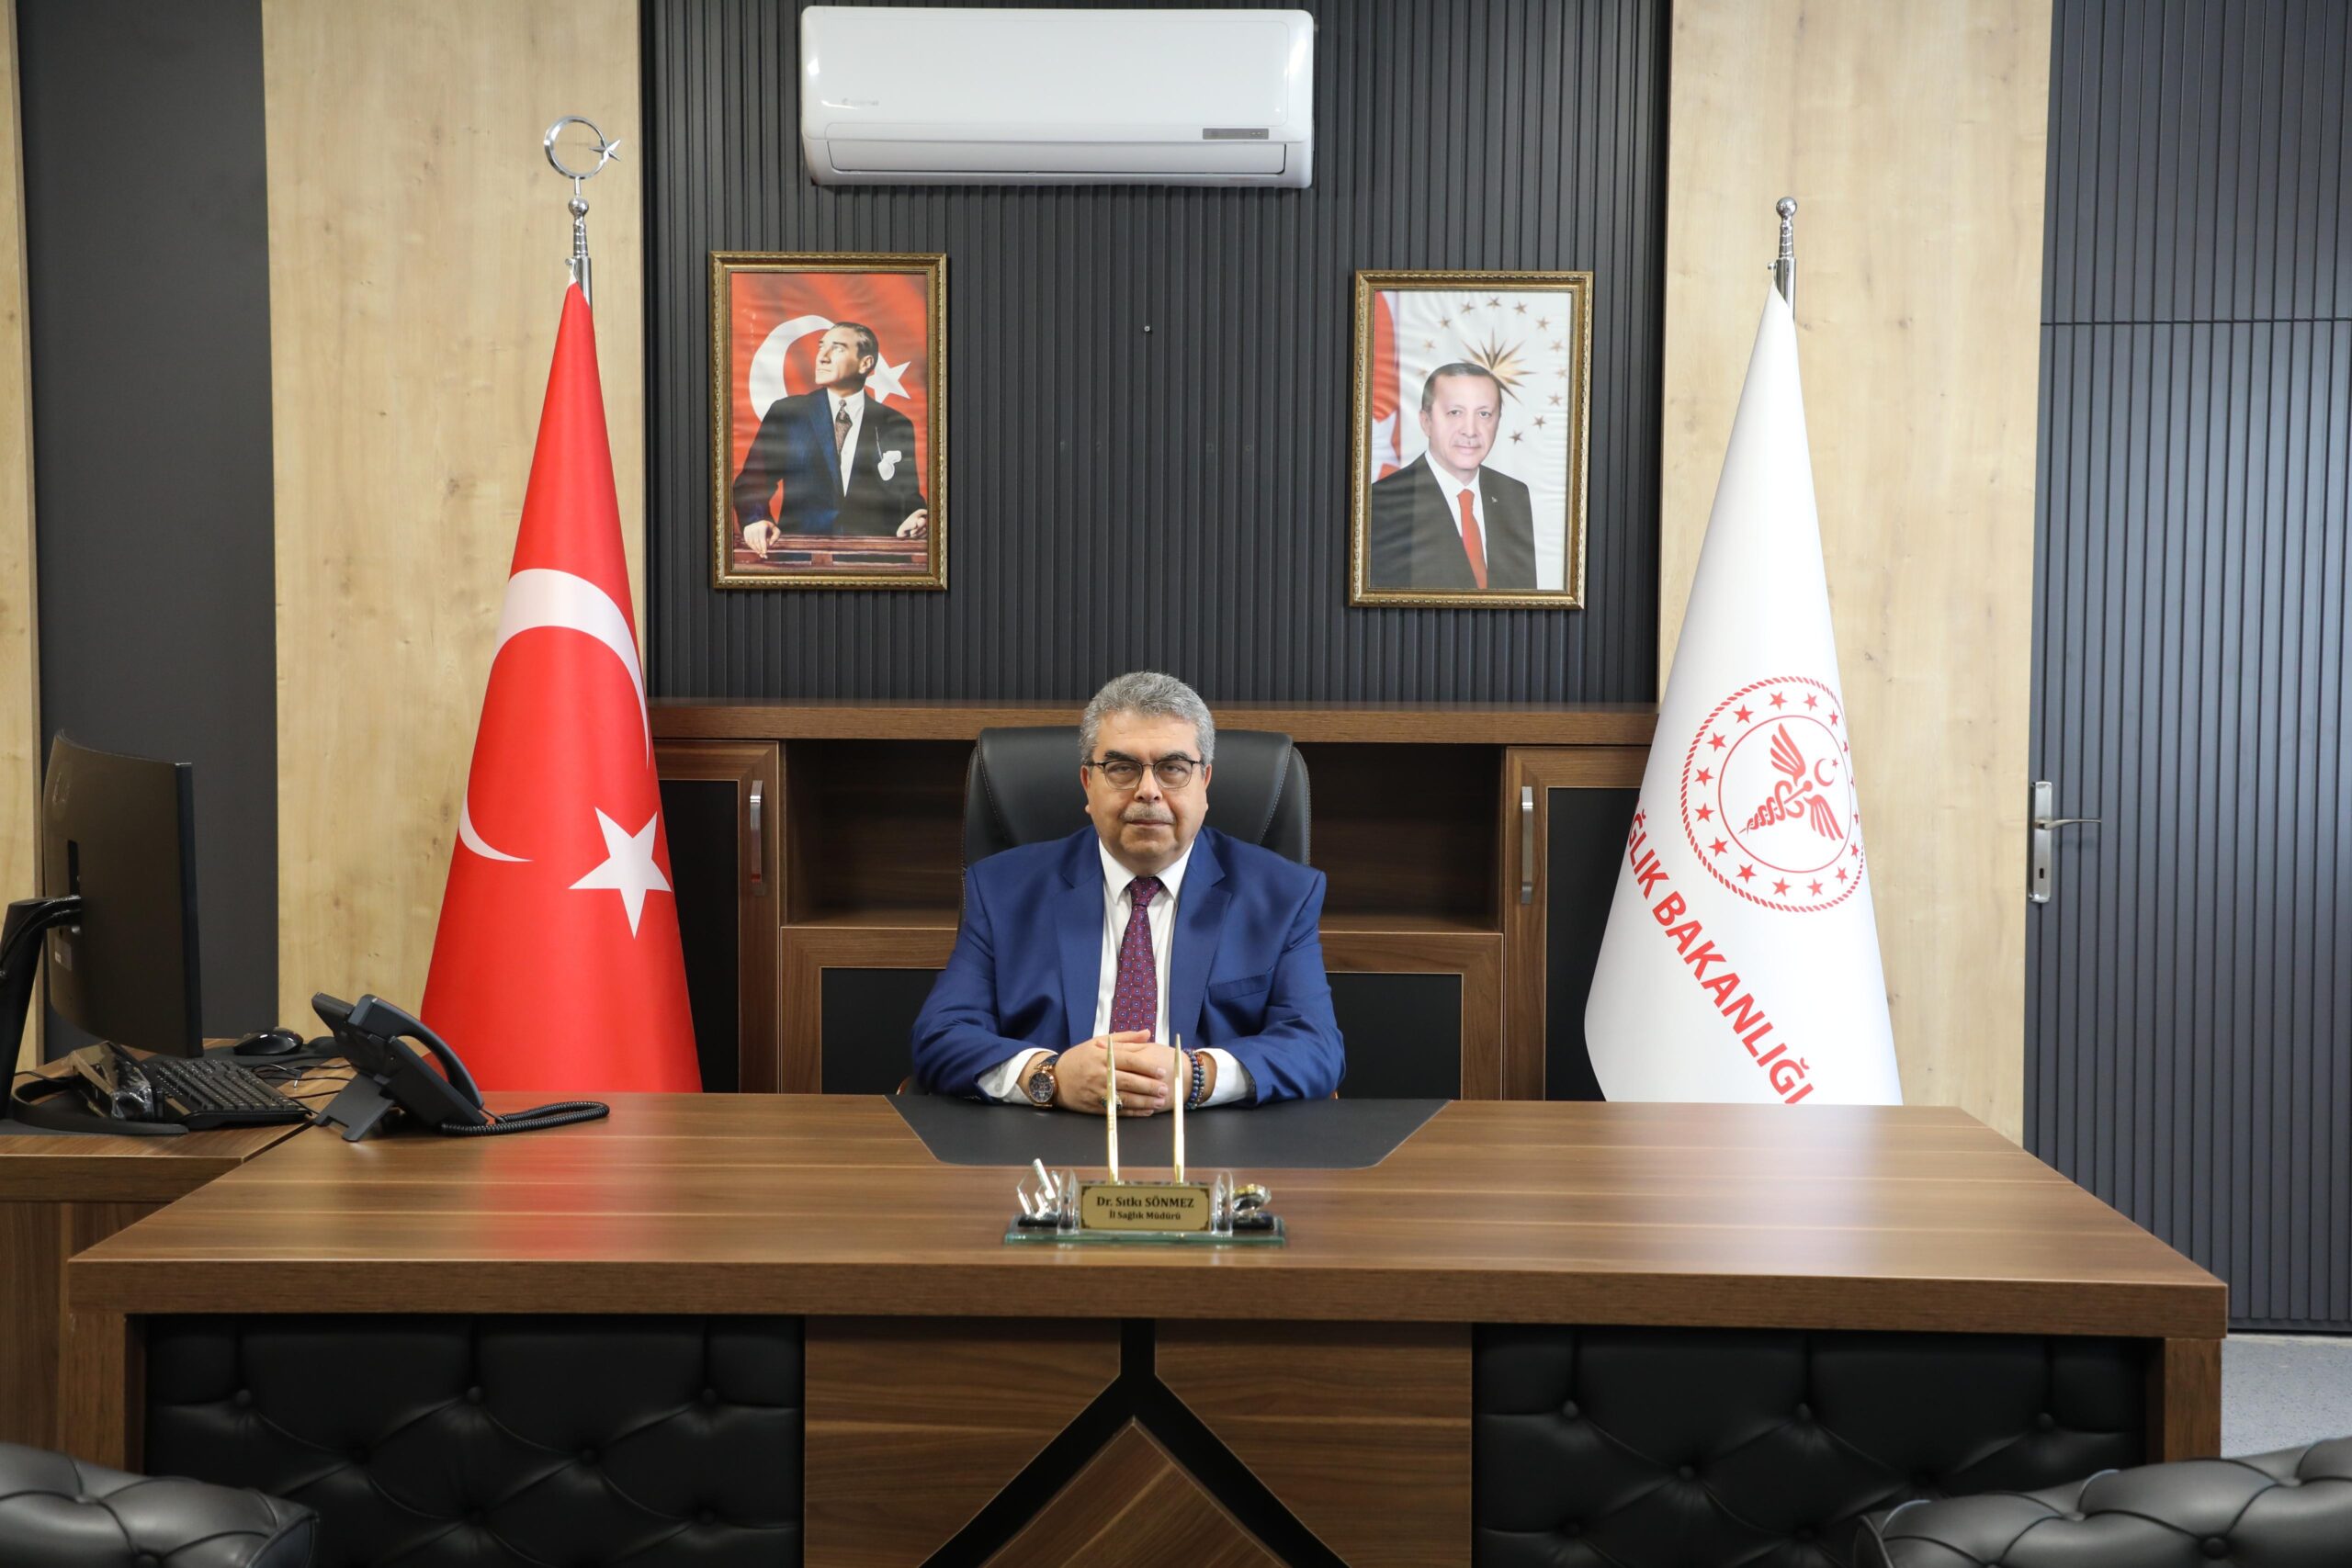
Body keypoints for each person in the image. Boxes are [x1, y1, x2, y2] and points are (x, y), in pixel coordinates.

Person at [911, 671, 1345, 1111]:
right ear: (1088, 783)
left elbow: (1316, 1046)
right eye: (1122, 769)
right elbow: (941, 1036)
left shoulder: (1283, 894)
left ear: (1205, 782)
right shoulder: (1003, 889)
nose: (1148, 791)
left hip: (1212, 1134)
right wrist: (1050, 1076)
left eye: (1173, 768)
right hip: (1045, 1133)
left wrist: (1196, 1076)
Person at [730, 321, 929, 552]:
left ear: (865, 363)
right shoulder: (788, 413)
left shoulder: (895, 423)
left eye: (837, 348)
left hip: (875, 558)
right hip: (801, 558)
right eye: (821, 347)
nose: (822, 357)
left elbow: (907, 497)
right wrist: (756, 520)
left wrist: (917, 518)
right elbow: (752, 483)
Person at [1366, 362, 1538, 591]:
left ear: (1498, 422)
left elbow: (1523, 598)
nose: (1470, 430)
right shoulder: (1382, 502)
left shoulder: (1513, 495)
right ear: (1426, 422)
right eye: (1455, 413)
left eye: (1484, 414)